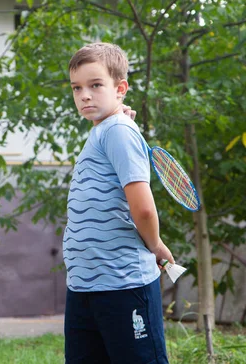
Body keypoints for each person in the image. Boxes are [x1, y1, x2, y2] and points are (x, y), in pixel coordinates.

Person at [63, 42, 173, 363]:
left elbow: (142, 208)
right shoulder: (104, 130)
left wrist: (156, 246)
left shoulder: (119, 132)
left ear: (120, 88)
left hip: (124, 285)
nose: (84, 95)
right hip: (84, 286)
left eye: (96, 85)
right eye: (77, 88)